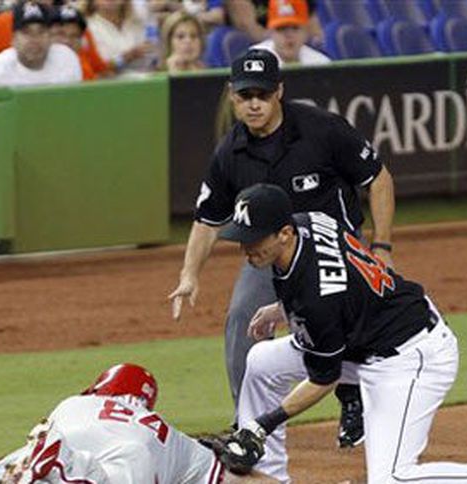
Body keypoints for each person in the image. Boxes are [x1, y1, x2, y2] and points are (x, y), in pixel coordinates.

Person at [208, 183, 467, 484]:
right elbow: (339, 283)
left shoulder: (318, 297)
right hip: (367, 336)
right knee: (261, 362)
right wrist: (282, 309)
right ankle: (270, 478)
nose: (245, 248)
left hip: (410, 357)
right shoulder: (308, 223)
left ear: (285, 233)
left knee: (392, 479)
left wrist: (262, 425)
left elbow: (324, 379)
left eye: (254, 239)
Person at [169, 48, 394, 448]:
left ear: (279, 92)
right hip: (269, 252)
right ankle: (247, 423)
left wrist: (382, 245)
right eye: (245, 95)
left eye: (262, 94)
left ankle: (353, 399)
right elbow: (207, 219)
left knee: (341, 323)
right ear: (232, 96)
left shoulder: (322, 129)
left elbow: (377, 178)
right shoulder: (230, 152)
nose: (254, 104)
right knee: (242, 317)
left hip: (335, 249)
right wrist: (189, 274)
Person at [0, 363, 277, 484]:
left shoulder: (76, 403)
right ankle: (65, 465)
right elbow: (244, 480)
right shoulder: (166, 431)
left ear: (100, 389)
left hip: (63, 432)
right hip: (132, 458)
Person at [250, 0, 330, 67]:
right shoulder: (253, 61)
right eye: (281, 28)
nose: (289, 35)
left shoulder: (320, 64)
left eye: (295, 28)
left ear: (306, 30)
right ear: (270, 32)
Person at [83, 0, 153, 75]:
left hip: (148, 77)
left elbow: (152, 57)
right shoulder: (86, 28)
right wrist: (126, 57)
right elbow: (97, 68)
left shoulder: (138, 21)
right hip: (112, 81)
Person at [222, 0, 322, 45]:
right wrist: (280, 40)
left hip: (298, 45)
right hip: (261, 46)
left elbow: (314, 30)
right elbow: (251, 29)